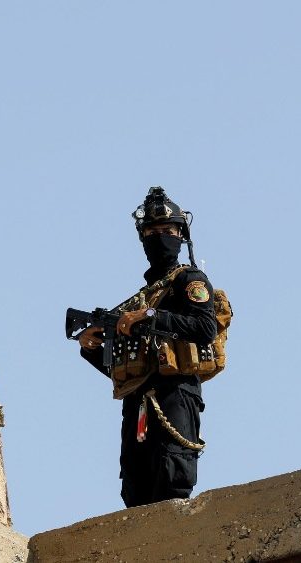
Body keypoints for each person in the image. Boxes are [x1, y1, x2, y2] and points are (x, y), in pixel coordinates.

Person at [76, 187, 217, 508]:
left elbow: (204, 328)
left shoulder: (189, 281)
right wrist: (90, 348)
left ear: (181, 235)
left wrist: (152, 315)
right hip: (137, 399)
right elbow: (123, 366)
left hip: (176, 394)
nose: (160, 237)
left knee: (172, 479)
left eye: (167, 231)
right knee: (136, 487)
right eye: (152, 232)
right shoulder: (139, 299)